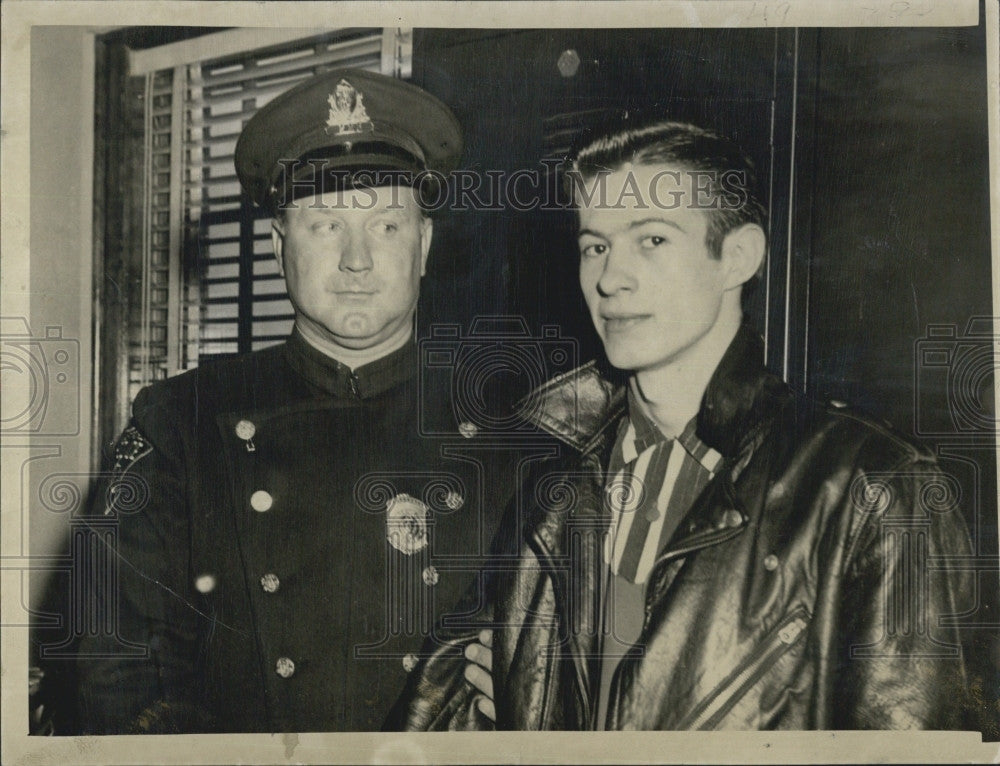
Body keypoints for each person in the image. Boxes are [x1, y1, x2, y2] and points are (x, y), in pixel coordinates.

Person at [387, 118, 975, 730]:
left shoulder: (874, 488)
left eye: (653, 241)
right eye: (596, 246)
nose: (610, 278)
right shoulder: (552, 489)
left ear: (738, 256)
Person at [72, 68, 516, 733]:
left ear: (424, 246)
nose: (358, 260)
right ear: (279, 246)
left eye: (388, 227)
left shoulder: (512, 431)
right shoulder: (179, 425)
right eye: (325, 226)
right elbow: (113, 671)